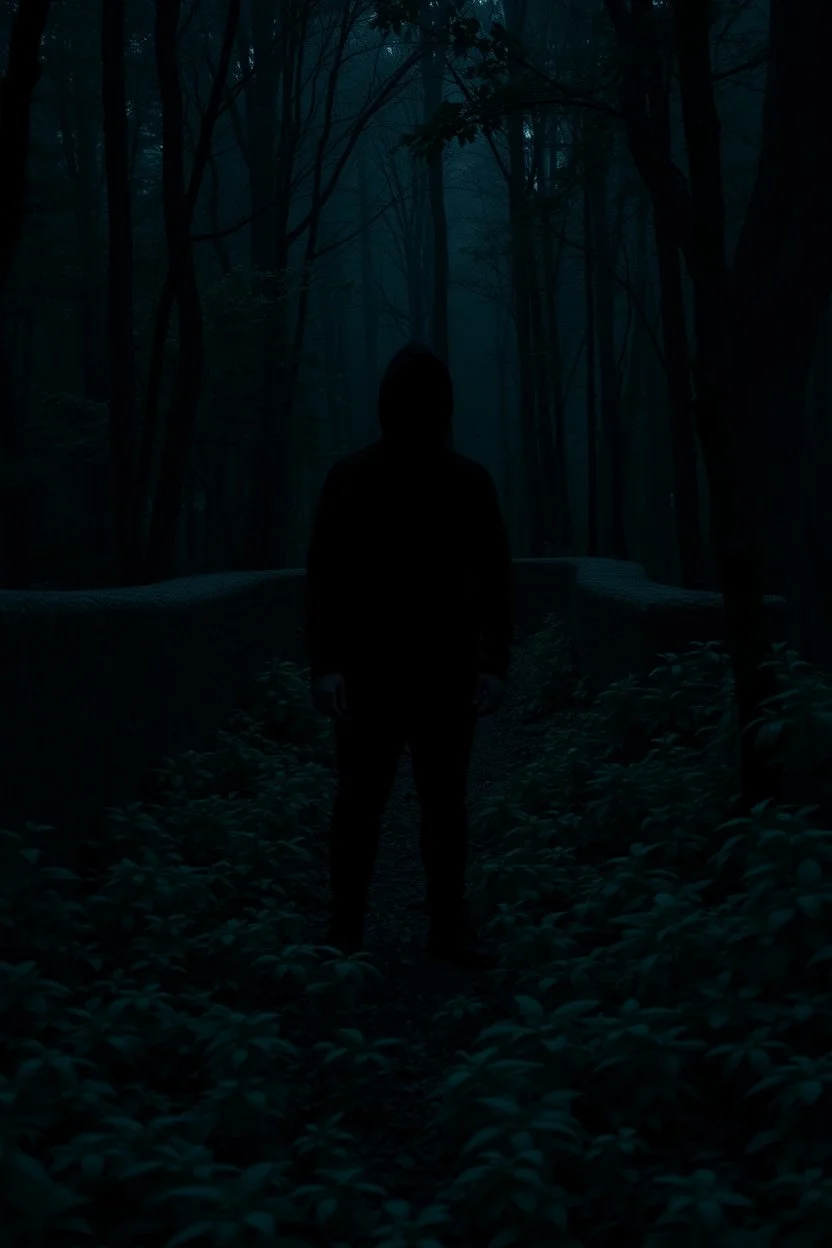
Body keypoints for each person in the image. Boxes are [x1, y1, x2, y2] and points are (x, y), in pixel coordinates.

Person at [304, 342, 513, 969]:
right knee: (412, 803)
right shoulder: (457, 480)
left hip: (400, 671)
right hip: (409, 671)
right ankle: (414, 930)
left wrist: (493, 663)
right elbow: (326, 577)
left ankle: (358, 930)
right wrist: (492, 663)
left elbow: (493, 577)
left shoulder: (363, 477)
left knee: (382, 803)